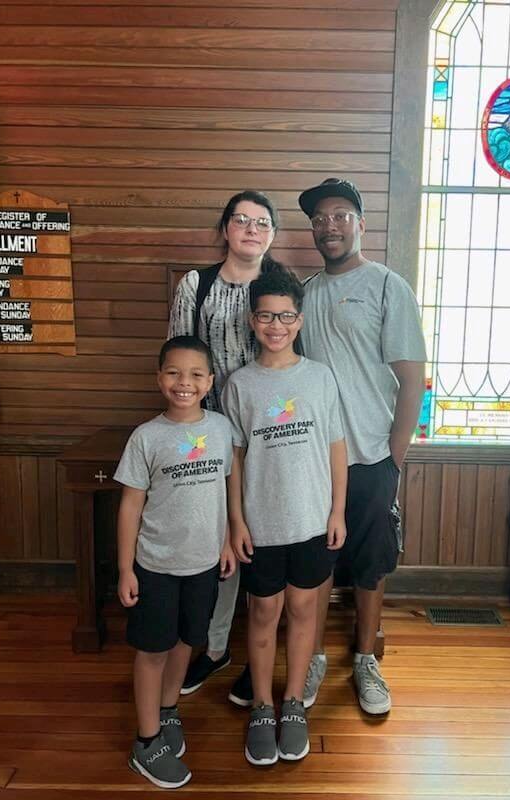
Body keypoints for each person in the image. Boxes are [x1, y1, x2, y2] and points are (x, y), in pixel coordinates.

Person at [297, 177, 426, 715]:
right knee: (317, 564)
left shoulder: (386, 286)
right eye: (319, 218)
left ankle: (366, 659)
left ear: (359, 224)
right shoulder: (302, 293)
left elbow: (413, 378)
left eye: (339, 215)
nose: (329, 225)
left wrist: (394, 455)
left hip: (373, 457)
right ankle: (311, 660)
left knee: (370, 564)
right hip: (315, 459)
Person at [221, 268, 347, 765]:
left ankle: (292, 703)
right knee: (263, 614)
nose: (277, 324)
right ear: (253, 321)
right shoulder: (240, 385)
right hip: (262, 525)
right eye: (267, 315)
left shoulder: (319, 377)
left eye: (286, 315)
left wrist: (337, 510)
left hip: (314, 522)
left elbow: (337, 448)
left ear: (299, 319)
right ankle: (261, 705)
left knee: (303, 611)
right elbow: (233, 459)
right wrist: (236, 522)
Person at [168, 190, 279, 706]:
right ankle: (214, 648)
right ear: (226, 229)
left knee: (265, 538)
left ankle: (260, 651)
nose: (251, 230)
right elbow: (180, 356)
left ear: (272, 234)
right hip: (209, 433)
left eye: (261, 222)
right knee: (221, 539)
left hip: (270, 434)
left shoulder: (281, 286)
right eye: (242, 220)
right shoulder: (198, 284)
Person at [115, 335, 235, 789]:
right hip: (155, 567)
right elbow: (130, 506)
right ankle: (146, 742)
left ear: (209, 381)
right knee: (152, 651)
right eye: (173, 373)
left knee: (187, 642)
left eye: (195, 374)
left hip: (203, 565)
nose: (184, 382)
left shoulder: (222, 429)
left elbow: (225, 489)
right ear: (159, 378)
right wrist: (126, 568)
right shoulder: (146, 437)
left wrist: (225, 541)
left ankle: (168, 713)